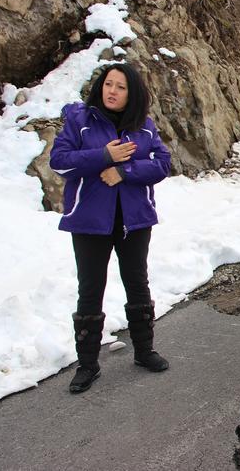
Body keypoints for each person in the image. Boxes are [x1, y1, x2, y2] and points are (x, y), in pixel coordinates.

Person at [50, 62, 172, 393]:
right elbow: (59, 161)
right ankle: (87, 365)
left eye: (120, 86)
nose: (112, 91)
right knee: (91, 288)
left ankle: (144, 352)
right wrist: (103, 156)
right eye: (108, 84)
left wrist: (124, 171)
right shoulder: (80, 121)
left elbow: (162, 164)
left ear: (132, 93)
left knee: (137, 282)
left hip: (134, 220)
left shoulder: (144, 126)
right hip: (90, 221)